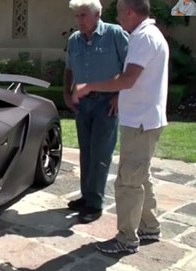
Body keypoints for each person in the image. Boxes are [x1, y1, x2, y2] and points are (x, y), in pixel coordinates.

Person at [73, 0, 169, 254]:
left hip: (140, 121)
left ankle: (126, 239)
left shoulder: (143, 37)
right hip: (144, 119)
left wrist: (91, 86)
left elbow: (128, 80)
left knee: (128, 182)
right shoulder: (147, 34)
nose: (118, 18)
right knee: (141, 177)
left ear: (129, 11)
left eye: (119, 13)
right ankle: (149, 227)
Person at [63, 0, 129, 223]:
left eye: (83, 15)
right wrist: (66, 93)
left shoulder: (115, 34)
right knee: (86, 152)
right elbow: (69, 69)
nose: (79, 20)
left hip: (106, 103)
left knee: (100, 153)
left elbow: (132, 68)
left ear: (97, 14)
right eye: (77, 16)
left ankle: (95, 203)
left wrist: (120, 95)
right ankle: (86, 196)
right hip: (84, 104)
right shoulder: (75, 40)